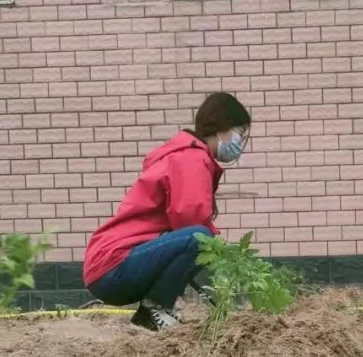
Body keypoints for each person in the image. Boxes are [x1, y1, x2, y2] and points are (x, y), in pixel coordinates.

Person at [83, 92, 251, 331]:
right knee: (200, 238)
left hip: (111, 266)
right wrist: (228, 274)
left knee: (198, 239)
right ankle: (155, 309)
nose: (240, 142)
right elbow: (193, 225)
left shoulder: (185, 155)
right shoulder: (191, 158)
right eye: (239, 132)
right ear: (222, 128)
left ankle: (155, 310)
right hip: (114, 265)